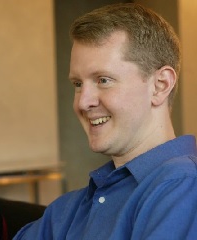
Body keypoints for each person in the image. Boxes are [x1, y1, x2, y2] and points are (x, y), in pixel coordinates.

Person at [14, 3, 197, 240]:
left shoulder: (183, 187)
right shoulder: (65, 211)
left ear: (160, 85)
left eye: (103, 80)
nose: (82, 102)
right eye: (78, 84)